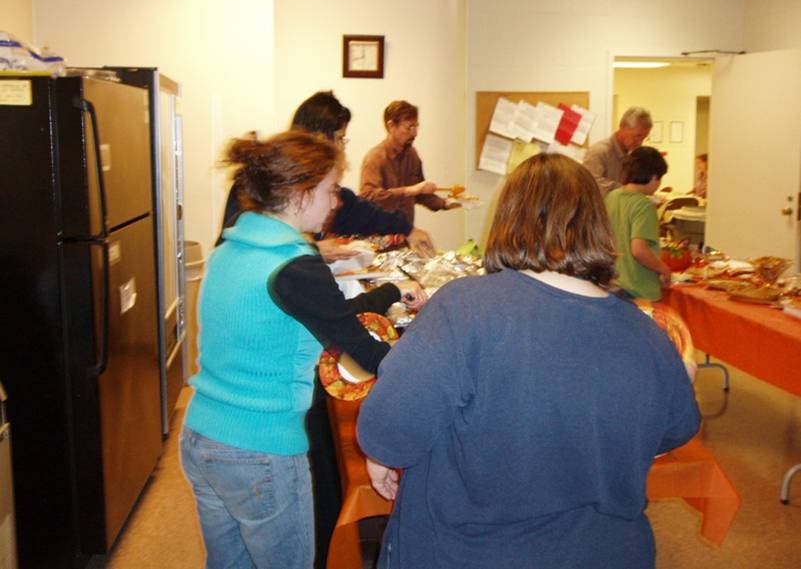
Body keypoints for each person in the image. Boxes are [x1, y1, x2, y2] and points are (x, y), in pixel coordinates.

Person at [357, 154, 700, 569]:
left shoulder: (464, 307)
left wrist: (380, 455)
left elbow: (388, 431)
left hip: (471, 552)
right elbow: (675, 429)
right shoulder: (645, 332)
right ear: (597, 227)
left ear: (509, 221)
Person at [181, 131, 426, 569]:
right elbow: (366, 354)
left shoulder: (235, 247)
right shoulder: (294, 265)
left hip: (203, 436)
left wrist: (389, 291)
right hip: (260, 449)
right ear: (299, 192)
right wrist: (438, 366)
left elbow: (323, 314)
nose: (335, 202)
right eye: (331, 190)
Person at [218, 91, 436, 257]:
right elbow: (245, 249)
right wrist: (313, 249)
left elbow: (356, 209)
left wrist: (407, 229)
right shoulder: (265, 181)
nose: (342, 148)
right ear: (319, 139)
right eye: (340, 138)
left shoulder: (310, 185)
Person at [359, 100, 460, 224]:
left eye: (416, 126)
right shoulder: (375, 157)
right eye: (409, 127)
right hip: (379, 232)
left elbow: (420, 193)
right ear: (391, 126)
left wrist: (445, 203)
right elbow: (367, 197)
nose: (414, 133)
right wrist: (408, 190)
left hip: (406, 230)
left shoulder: (412, 155)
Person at [605, 146, 672, 301]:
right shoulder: (644, 205)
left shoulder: (611, 197)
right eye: (659, 179)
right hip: (638, 288)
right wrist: (664, 269)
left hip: (613, 281)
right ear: (653, 177)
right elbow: (639, 250)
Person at [584, 106, 653, 197]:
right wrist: (628, 190)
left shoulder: (630, 154)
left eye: (643, 138)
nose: (640, 143)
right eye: (637, 136)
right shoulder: (598, 151)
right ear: (623, 126)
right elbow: (591, 185)